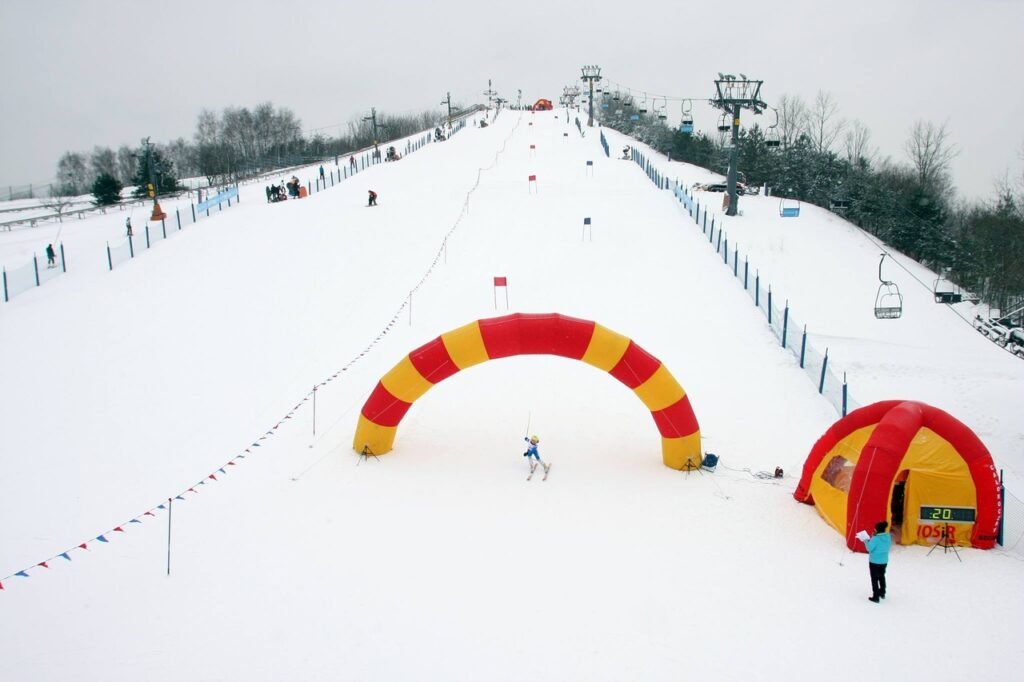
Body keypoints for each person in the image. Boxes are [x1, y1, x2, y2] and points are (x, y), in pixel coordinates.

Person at [866, 521, 892, 603]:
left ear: (877, 530)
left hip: (874, 561)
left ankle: (876, 596)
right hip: (884, 561)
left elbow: (869, 548)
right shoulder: (888, 536)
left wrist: (866, 540)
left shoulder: (875, 539)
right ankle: (882, 592)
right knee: (881, 577)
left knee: (874, 579)